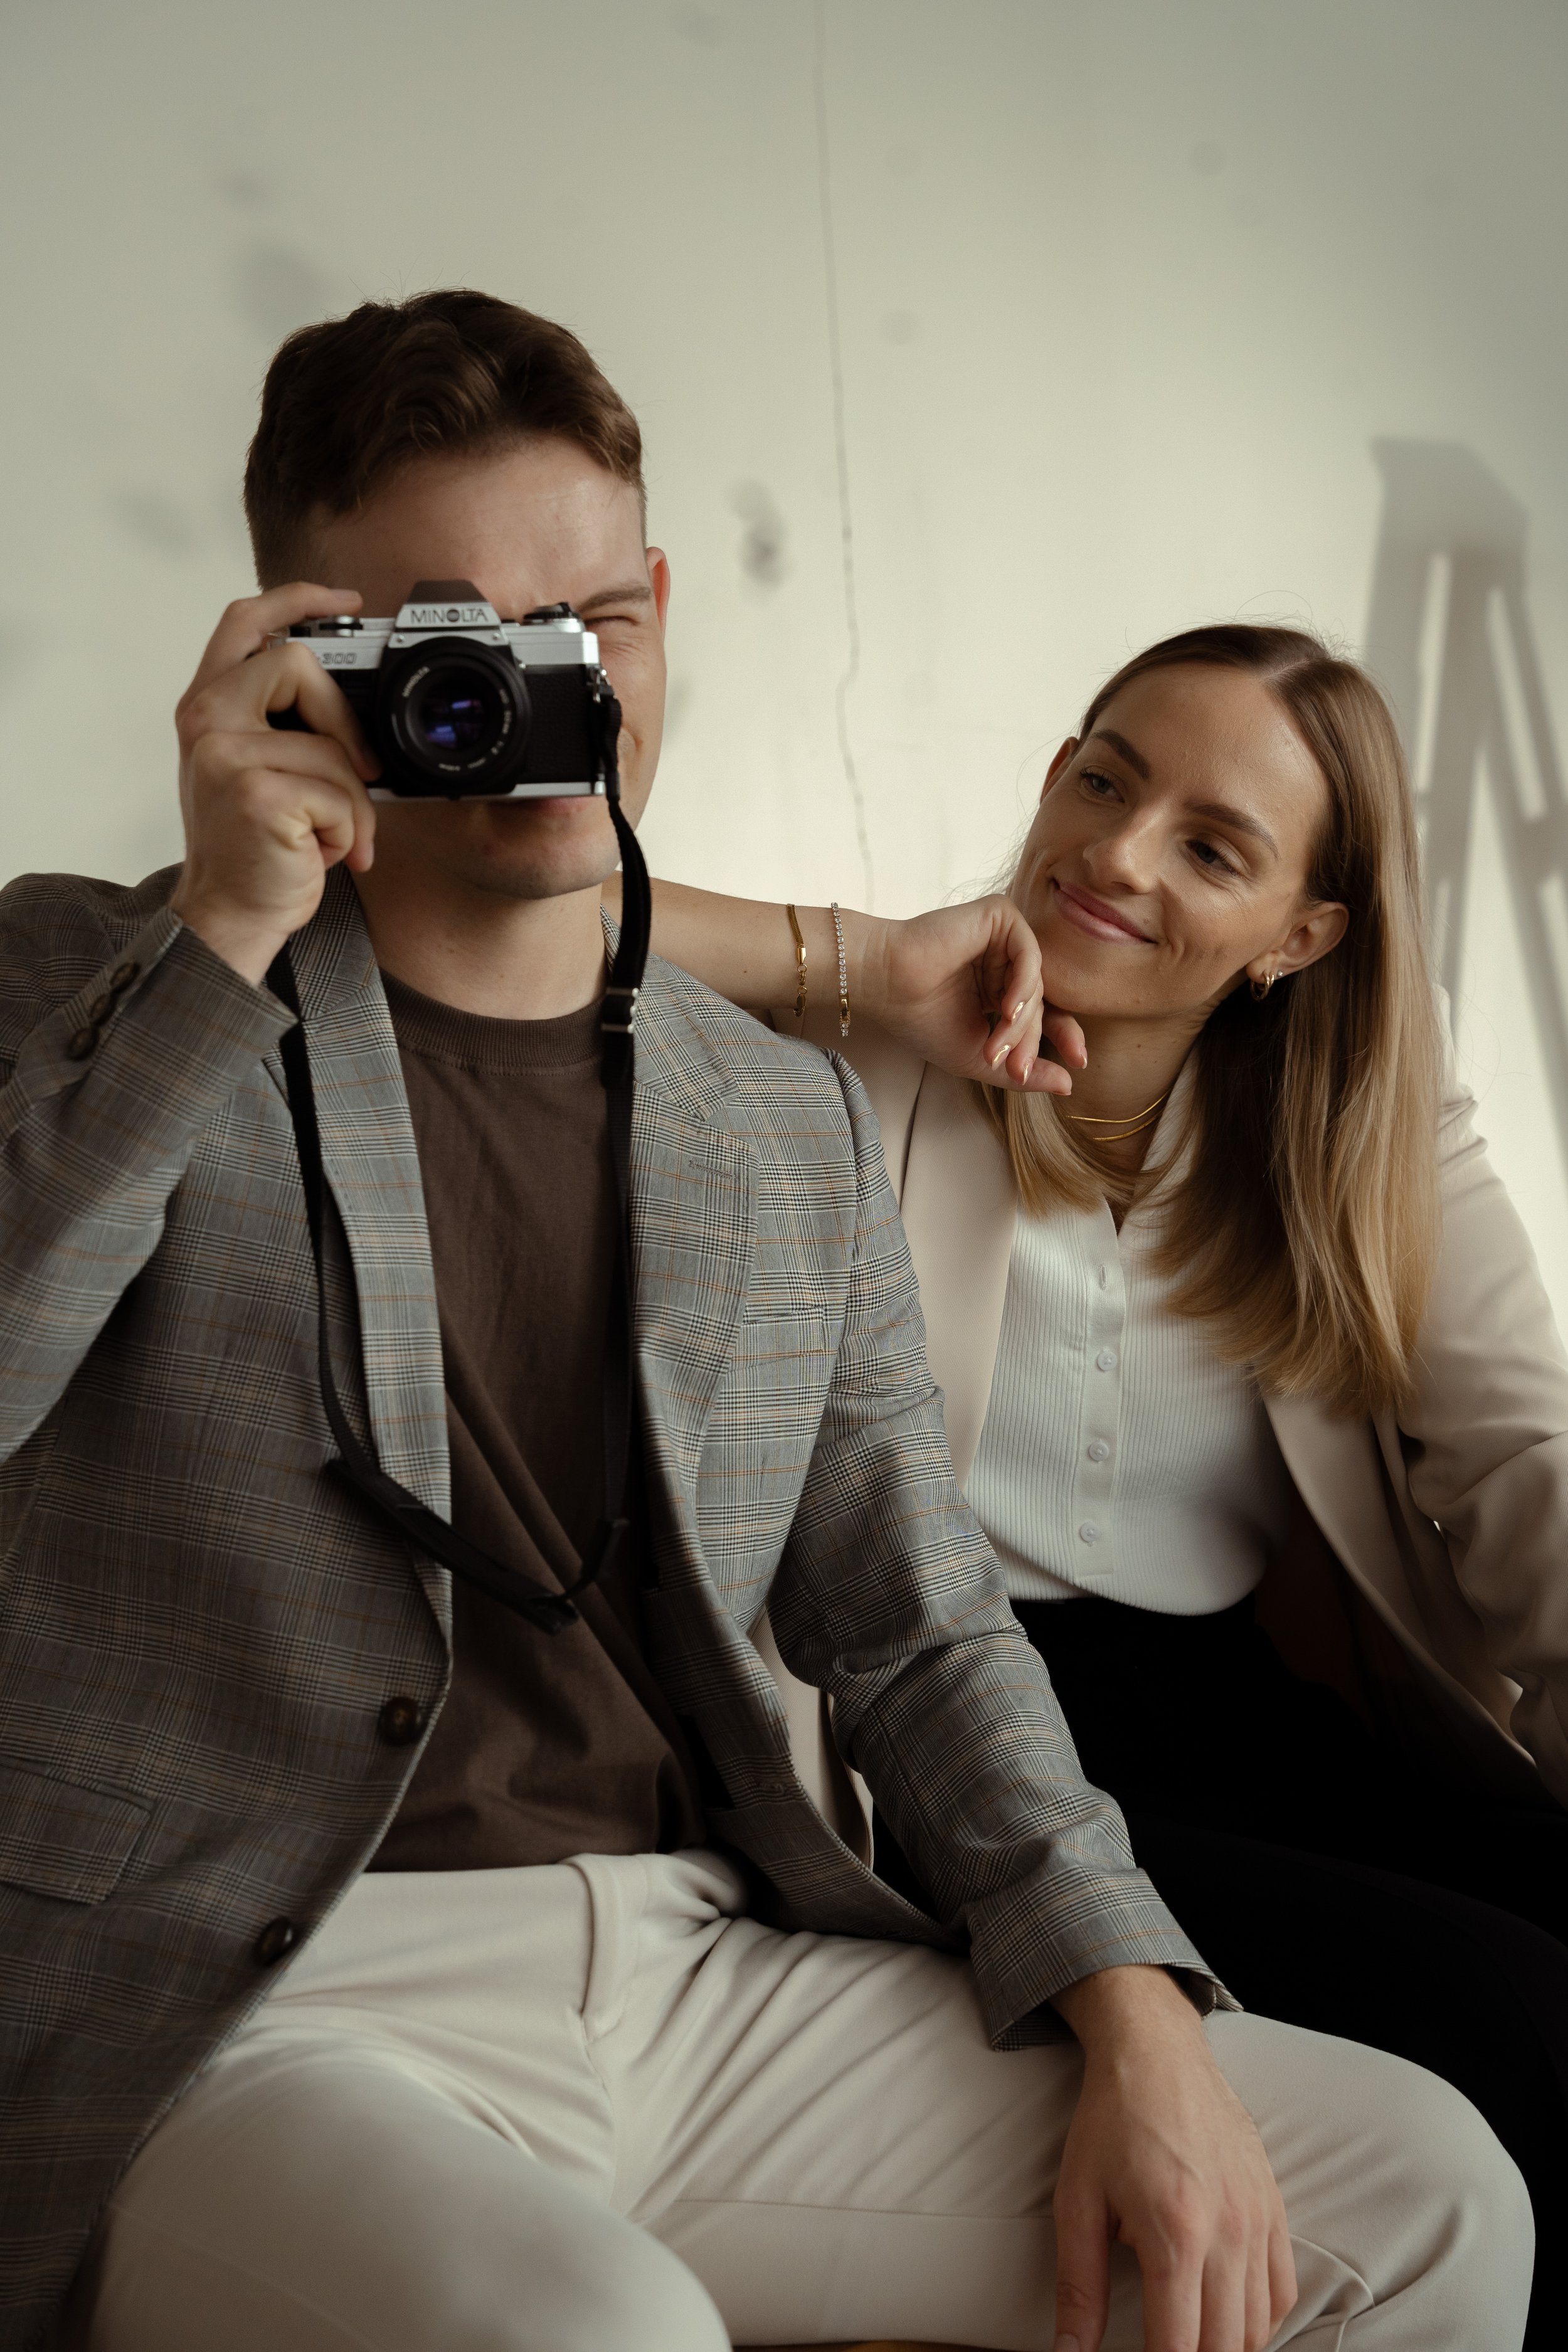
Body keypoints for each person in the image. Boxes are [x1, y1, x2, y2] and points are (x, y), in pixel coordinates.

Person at [0, 294, 1530, 2352]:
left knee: (1424, 2194)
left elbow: (913, 1619)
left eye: (587, 625)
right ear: (311, 653)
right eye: (462, 635)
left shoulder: (770, 1112)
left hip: (710, 1965)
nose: (548, 685)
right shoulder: (93, 983)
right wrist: (227, 926)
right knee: (595, 2333)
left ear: (650, 611)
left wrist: (1137, 2016)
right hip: (263, 1987)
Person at [632, 621, 1568, 2348]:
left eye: (1210, 846)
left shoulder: (1364, 1120)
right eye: (1102, 776)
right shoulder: (858, 1060)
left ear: (1302, 937)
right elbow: (548, 937)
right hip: (949, 1721)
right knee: (1520, 2016)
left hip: (1245, 1714)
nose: (1113, 855)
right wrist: (856, 959)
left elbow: (1528, 1466)